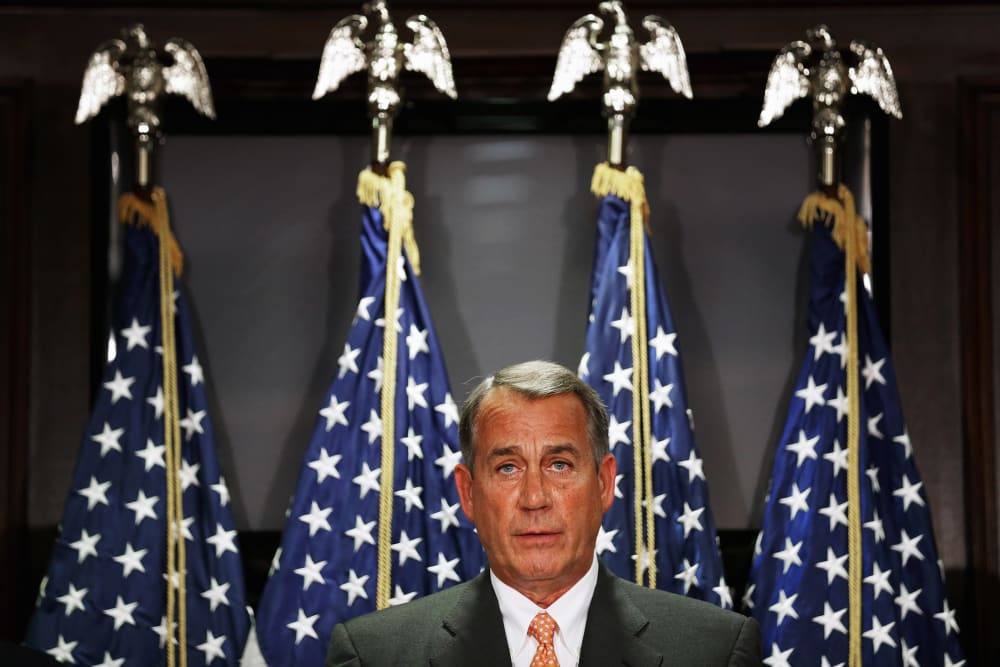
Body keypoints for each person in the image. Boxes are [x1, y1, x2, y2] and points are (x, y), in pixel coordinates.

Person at [327, 360, 761, 666]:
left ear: (604, 483)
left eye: (559, 464)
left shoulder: (714, 651)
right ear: (468, 492)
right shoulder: (374, 655)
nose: (535, 497)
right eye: (508, 467)